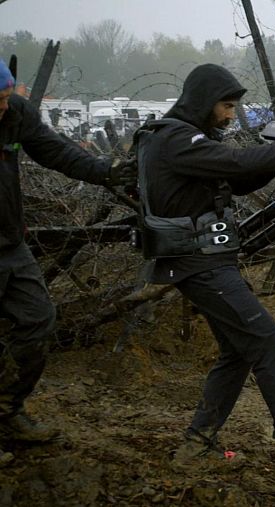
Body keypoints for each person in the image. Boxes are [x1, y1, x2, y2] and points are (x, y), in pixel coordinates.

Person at [136, 63, 275, 465]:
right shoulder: (177, 139)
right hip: (198, 263)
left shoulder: (188, 141)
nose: (231, 115)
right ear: (204, 102)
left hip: (205, 261)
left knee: (238, 351)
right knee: (266, 341)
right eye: (226, 106)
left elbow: (239, 179)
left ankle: (197, 446)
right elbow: (237, 164)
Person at [0, 58, 136, 466]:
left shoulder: (14, 115)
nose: (4, 107)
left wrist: (105, 171)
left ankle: (7, 411)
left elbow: (54, 150)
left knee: (37, 319)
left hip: (9, 244)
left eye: (7, 98)